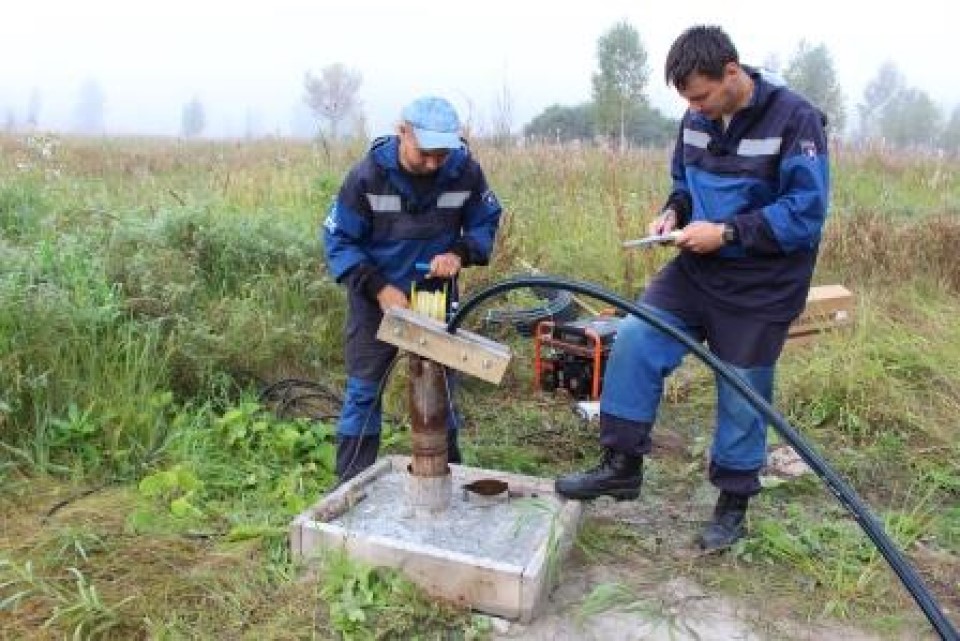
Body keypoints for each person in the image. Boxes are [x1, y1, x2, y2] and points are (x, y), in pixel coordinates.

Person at [555, 25, 830, 551]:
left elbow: (806, 214)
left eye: (702, 96)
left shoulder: (796, 119)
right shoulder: (695, 118)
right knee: (635, 338)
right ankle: (621, 464)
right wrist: (673, 212)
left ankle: (732, 504)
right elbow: (684, 182)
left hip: (762, 283)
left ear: (732, 73)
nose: (696, 109)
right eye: (687, 100)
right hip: (695, 267)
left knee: (743, 389)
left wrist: (727, 232)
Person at [322, 95, 502, 483]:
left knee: (441, 390)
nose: (434, 163)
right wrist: (379, 288)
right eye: (425, 153)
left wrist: (460, 251)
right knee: (364, 391)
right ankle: (351, 483)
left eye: (442, 153)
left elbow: (485, 221)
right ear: (402, 133)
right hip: (376, 298)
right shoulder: (366, 177)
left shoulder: (465, 171)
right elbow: (339, 241)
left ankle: (446, 473)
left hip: (434, 297)